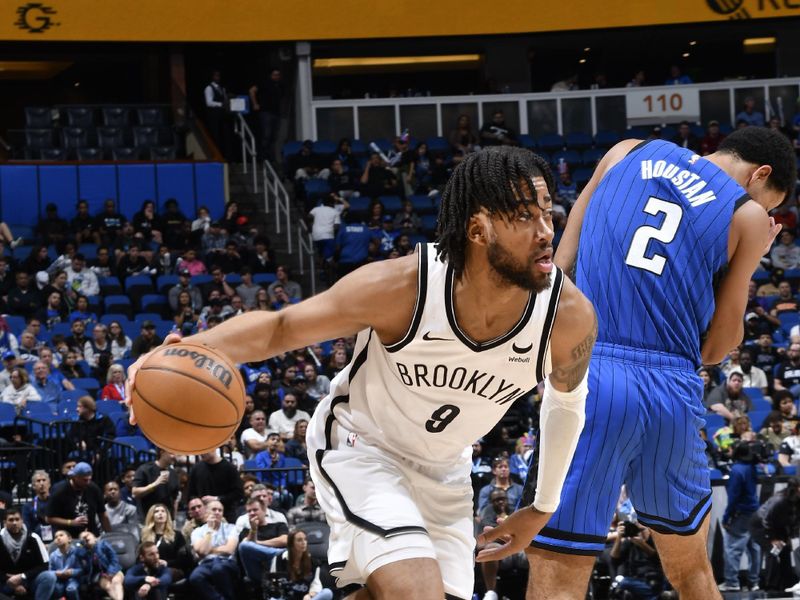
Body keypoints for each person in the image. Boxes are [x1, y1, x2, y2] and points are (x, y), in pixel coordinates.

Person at [127, 145, 596, 599]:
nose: (545, 230)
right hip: (363, 447)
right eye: (523, 216)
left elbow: (567, 402)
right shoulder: (403, 286)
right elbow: (281, 327)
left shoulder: (569, 317)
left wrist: (543, 506)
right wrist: (186, 350)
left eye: (547, 210)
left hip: (445, 471)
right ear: (478, 230)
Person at [481, 127, 797, 599]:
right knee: (692, 571)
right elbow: (714, 351)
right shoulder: (748, 216)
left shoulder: (627, 150)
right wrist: (750, 258)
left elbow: (559, 266)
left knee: (558, 570)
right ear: (760, 175)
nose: (765, 214)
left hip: (593, 371)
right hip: (671, 389)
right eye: (770, 204)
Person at [719, 441, 761, 592]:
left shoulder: (736, 470)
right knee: (754, 548)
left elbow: (733, 497)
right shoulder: (751, 467)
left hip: (741, 514)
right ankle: (754, 582)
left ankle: (732, 582)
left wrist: (726, 518)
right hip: (755, 512)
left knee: (732, 548)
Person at [0, 508, 55, 600]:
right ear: (5, 522)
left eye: (17, 519)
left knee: (49, 577)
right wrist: (7, 579)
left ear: (22, 521)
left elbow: (45, 565)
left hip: (29, 580)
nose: (14, 523)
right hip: (5, 582)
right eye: (11, 520)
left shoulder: (33, 537)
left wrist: (22, 576)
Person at [189, 499, 239, 600]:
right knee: (195, 577)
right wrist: (210, 531)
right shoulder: (197, 532)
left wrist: (208, 549)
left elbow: (229, 550)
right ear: (206, 512)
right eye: (214, 510)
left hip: (227, 561)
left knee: (218, 569)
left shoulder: (231, 528)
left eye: (220, 510)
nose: (217, 512)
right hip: (206, 563)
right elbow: (202, 552)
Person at [46, 462, 111, 539]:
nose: (88, 483)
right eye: (85, 480)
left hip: (91, 536)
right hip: (68, 538)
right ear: (74, 477)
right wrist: (71, 522)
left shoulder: (94, 489)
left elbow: (102, 515)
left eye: (89, 479)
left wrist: (109, 536)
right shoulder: (59, 491)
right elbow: (49, 519)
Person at [267, 529, 334, 600]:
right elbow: (273, 582)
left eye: (305, 539)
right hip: (285, 597)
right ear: (291, 544)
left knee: (327, 593)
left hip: (303, 598)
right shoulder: (279, 559)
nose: (304, 542)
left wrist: (310, 595)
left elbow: (315, 585)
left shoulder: (313, 562)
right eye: (299, 540)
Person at [237, 496, 289, 583]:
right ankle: (277, 555)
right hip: (257, 571)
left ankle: (275, 557)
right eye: (249, 511)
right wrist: (253, 529)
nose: (252, 513)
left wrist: (257, 543)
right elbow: (245, 547)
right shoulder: (246, 531)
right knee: (244, 545)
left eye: (255, 510)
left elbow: (284, 540)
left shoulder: (279, 525)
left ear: (264, 510)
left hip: (278, 566)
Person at [140, 504, 189, 581]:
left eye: (163, 511)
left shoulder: (177, 535)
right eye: (156, 511)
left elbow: (183, 559)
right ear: (151, 516)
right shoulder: (145, 536)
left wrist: (166, 563)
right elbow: (140, 557)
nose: (160, 513)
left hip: (172, 569)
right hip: (151, 569)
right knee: (131, 574)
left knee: (162, 573)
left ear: (167, 515)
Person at [132, 449, 180, 519]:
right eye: (171, 453)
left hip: (166, 522)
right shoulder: (145, 469)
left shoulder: (173, 473)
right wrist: (155, 484)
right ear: (162, 452)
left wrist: (173, 519)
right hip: (147, 520)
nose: (174, 457)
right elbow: (135, 493)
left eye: (176, 454)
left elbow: (175, 500)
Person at [78, 531, 124, 600]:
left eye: (88, 535)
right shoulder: (85, 552)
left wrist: (110, 572)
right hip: (101, 575)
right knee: (108, 586)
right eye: (83, 538)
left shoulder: (103, 544)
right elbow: (80, 556)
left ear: (94, 537)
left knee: (116, 581)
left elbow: (114, 558)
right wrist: (83, 546)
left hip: (115, 570)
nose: (86, 537)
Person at [48, 529, 83, 600]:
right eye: (56, 537)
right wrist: (56, 573)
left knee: (71, 589)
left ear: (69, 539)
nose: (58, 538)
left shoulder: (76, 552)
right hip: (59, 579)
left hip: (73, 578)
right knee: (56, 589)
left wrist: (72, 572)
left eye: (61, 535)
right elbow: (50, 571)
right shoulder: (53, 555)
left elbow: (82, 569)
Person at [23, 471, 53, 544]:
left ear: (49, 484)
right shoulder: (28, 506)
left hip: (56, 540)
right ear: (33, 486)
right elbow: (27, 528)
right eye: (38, 481)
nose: (41, 483)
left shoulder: (56, 502)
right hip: (37, 542)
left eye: (44, 480)